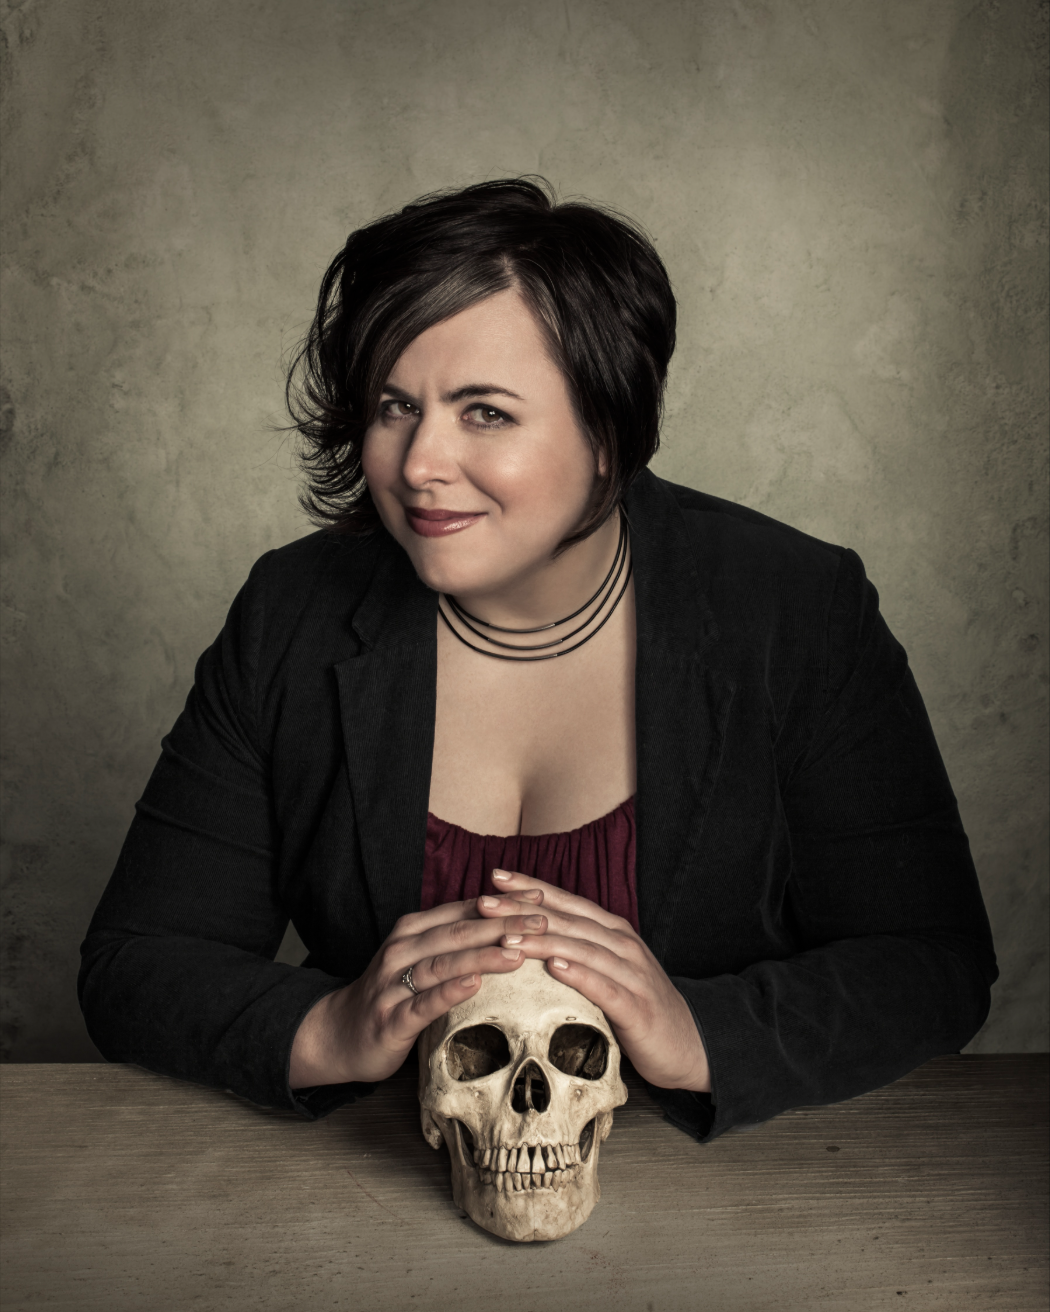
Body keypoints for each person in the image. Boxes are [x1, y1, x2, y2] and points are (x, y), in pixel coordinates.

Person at [79, 178, 996, 1140]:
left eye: (485, 413)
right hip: (373, 1177)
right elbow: (135, 962)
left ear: (607, 432)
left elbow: (932, 961)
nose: (417, 462)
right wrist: (331, 1027)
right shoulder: (292, 611)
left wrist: (701, 1034)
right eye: (395, 405)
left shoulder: (798, 610)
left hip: (740, 1186)